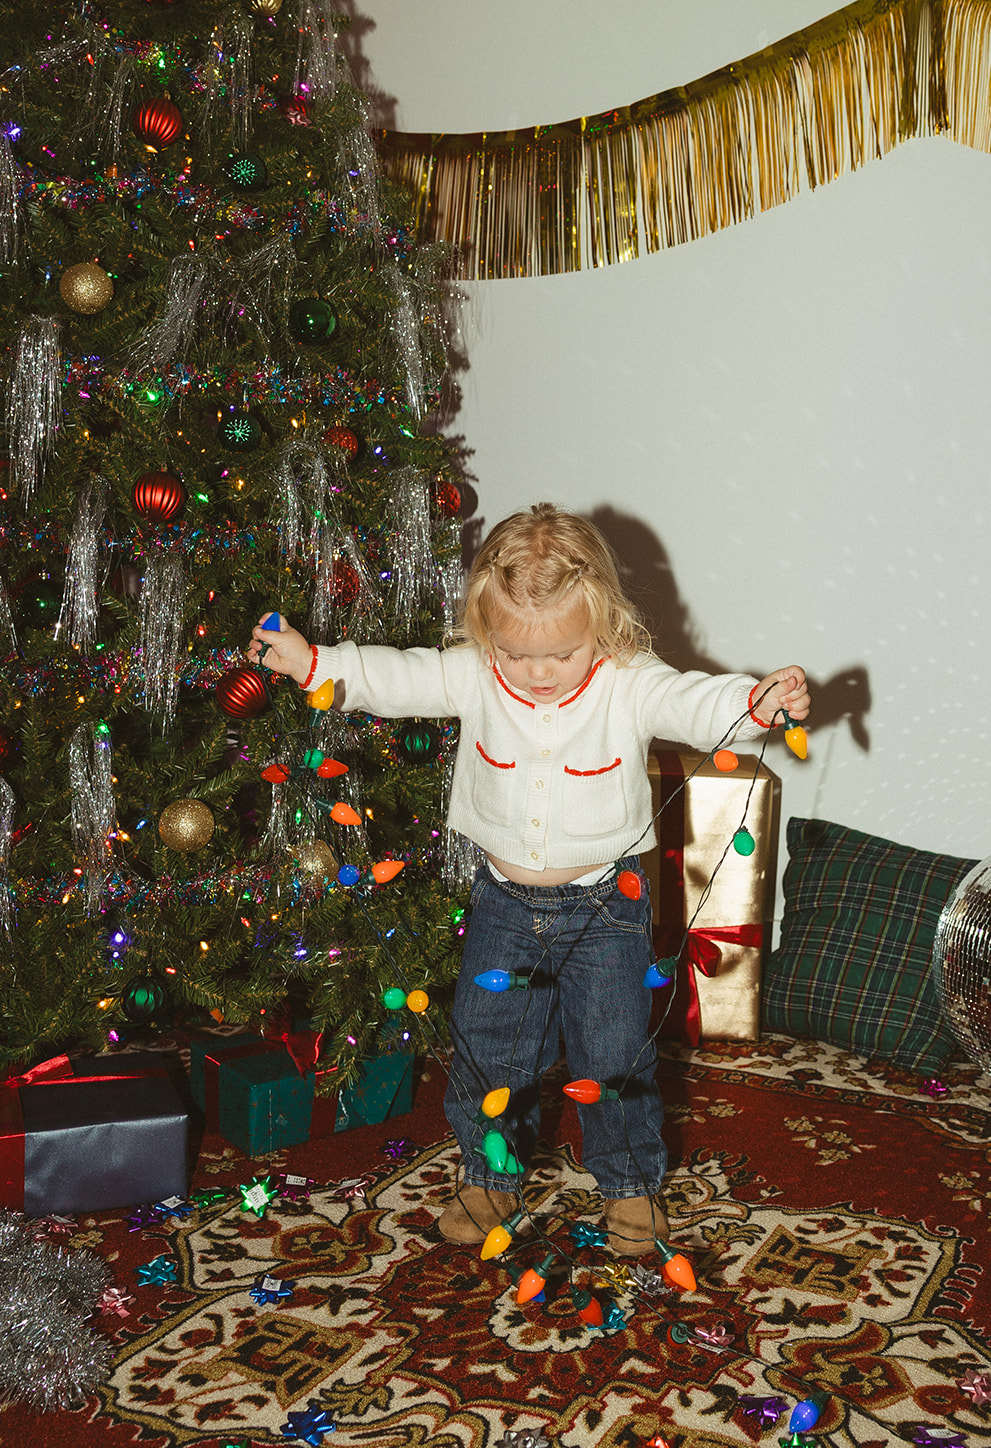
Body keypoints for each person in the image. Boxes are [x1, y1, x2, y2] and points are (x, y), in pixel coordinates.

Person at [248, 503, 809, 1255]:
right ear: (487, 636)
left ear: (602, 627)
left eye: (561, 655)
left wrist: (752, 701)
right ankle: (488, 1176)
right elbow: (397, 675)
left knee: (612, 1053)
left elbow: (692, 701)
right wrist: (315, 663)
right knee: (489, 1047)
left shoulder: (628, 681)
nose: (537, 673)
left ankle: (630, 1186)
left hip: (606, 909)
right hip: (503, 904)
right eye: (515, 654)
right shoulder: (476, 674)